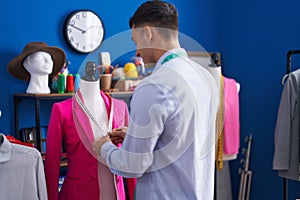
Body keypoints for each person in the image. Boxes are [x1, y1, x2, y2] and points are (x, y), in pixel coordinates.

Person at [92, 1, 219, 200]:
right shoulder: (204, 78)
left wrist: (104, 149)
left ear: (149, 33)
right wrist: (136, 136)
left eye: (135, 41)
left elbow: (133, 166)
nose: (137, 53)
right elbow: (184, 138)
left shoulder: (153, 87)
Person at [44, 62, 135, 200]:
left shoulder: (120, 107)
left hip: (117, 192)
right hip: (79, 194)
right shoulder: (62, 110)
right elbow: (52, 164)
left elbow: (130, 157)